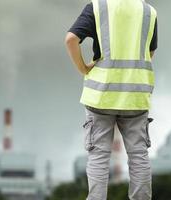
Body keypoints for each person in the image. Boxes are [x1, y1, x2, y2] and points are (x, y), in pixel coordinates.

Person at [65, 0, 158, 199]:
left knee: (98, 156)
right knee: (138, 155)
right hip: (136, 95)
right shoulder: (149, 11)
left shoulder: (97, 7)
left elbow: (71, 39)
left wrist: (83, 68)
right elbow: (149, 53)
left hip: (101, 95)